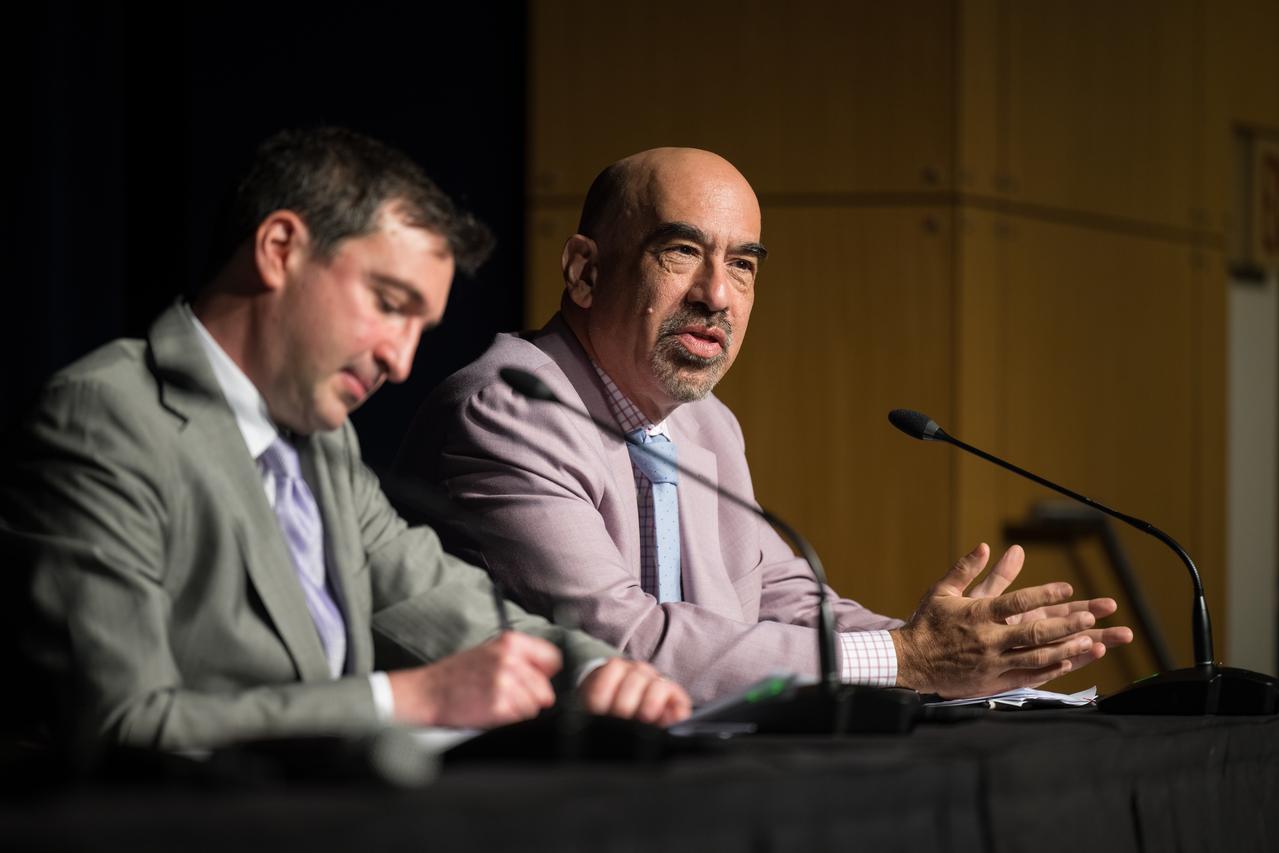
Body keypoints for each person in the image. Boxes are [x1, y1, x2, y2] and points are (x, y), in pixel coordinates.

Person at [0, 128, 689, 751]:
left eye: (421, 328)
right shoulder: (105, 416)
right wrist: (404, 699)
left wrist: (595, 673)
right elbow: (122, 721)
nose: (401, 361)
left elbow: (445, 600)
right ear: (280, 250)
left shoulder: (322, 446)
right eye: (391, 305)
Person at [399, 147, 1133, 705]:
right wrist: (909, 660)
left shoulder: (706, 425)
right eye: (682, 250)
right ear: (586, 272)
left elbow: (788, 598)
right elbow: (620, 643)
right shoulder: (506, 410)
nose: (717, 294)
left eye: (743, 264)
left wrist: (967, 652)